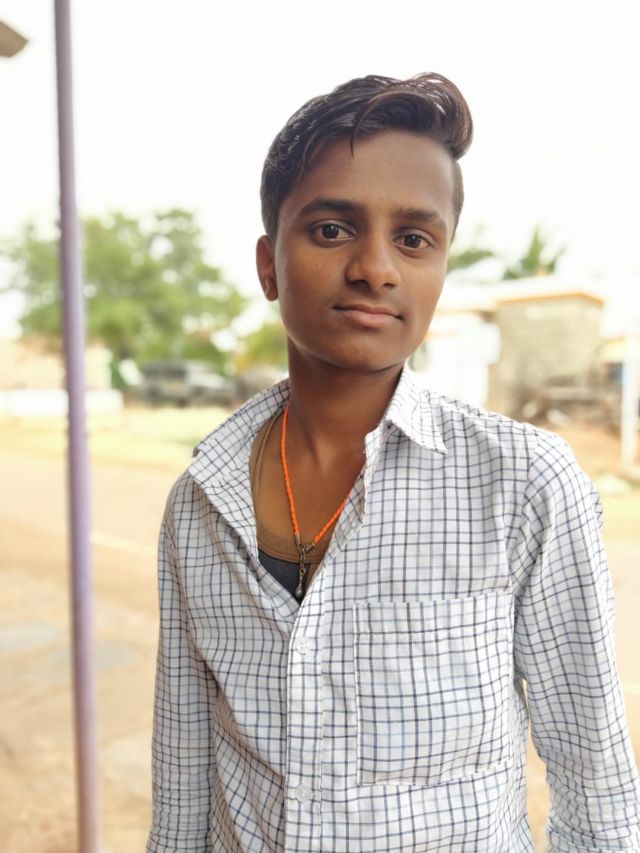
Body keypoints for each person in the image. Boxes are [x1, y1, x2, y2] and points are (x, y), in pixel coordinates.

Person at [146, 73, 640, 852]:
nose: (375, 267)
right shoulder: (201, 500)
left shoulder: (523, 483)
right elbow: (183, 774)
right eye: (332, 229)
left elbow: (594, 779)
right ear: (269, 264)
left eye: (414, 239)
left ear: (440, 267)